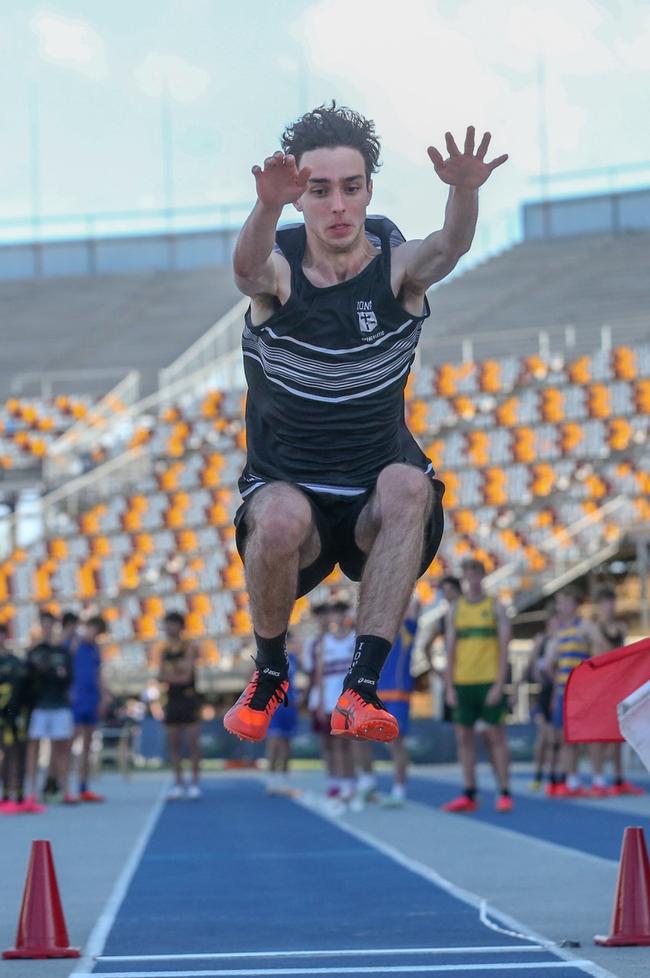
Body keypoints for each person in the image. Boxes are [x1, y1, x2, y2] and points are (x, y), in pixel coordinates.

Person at [223, 103, 507, 744]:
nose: (338, 206)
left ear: (370, 190)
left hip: (371, 492)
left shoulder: (396, 270)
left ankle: (363, 687)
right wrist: (266, 205)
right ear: (300, 198)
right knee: (277, 519)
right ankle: (269, 674)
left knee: (412, 484)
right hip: (290, 485)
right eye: (318, 191)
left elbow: (450, 246)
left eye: (351, 188)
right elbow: (246, 271)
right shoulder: (281, 271)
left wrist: (462, 192)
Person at [442, 559, 513, 813]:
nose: (472, 579)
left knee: (496, 737)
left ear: (482, 576)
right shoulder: (456, 609)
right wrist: (449, 687)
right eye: (467, 574)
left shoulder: (495, 606)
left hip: (488, 680)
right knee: (464, 739)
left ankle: (504, 791)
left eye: (476, 574)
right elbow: (449, 650)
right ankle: (469, 792)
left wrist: (499, 683)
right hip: (462, 682)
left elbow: (505, 648)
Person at [543, 586, 607, 798]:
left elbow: (601, 650)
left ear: (573, 603)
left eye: (563, 601)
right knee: (566, 737)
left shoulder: (586, 627)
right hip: (564, 692)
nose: (560, 606)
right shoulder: (559, 632)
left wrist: (589, 678)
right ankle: (572, 780)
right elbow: (551, 664)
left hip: (583, 692)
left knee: (591, 736)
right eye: (559, 602)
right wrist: (556, 688)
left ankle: (598, 779)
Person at [590, 588, 642, 796]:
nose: (609, 607)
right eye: (605, 603)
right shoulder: (592, 628)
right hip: (599, 685)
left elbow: (623, 654)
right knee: (598, 734)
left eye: (611, 602)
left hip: (617, 685)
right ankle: (598, 778)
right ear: (598, 605)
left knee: (619, 733)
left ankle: (618, 779)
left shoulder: (621, 627)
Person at [25, 610, 75, 806]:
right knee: (34, 747)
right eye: (43, 625)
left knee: (61, 749)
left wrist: (52, 672)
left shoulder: (63, 652)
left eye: (50, 625)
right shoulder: (33, 652)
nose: (47, 629)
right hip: (39, 706)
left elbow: (68, 678)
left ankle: (65, 790)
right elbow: (31, 679)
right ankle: (31, 792)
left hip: (60, 705)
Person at [377, 596, 421, 807]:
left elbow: (414, 604)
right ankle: (393, 785)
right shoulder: (381, 630)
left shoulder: (407, 628)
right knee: (388, 745)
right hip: (380, 694)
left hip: (398, 694)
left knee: (396, 743)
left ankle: (400, 788)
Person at [313, 600, 357, 804]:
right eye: (334, 613)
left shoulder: (354, 640)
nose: (337, 618)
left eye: (341, 613)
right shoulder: (325, 642)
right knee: (333, 744)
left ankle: (349, 782)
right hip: (330, 701)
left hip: (349, 702)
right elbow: (320, 676)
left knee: (346, 744)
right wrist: (320, 703)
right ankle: (338, 782)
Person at [158, 611, 203, 800]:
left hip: (189, 699)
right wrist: (176, 674)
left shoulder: (189, 647)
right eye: (167, 624)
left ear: (180, 626)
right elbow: (159, 676)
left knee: (193, 744)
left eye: (173, 624)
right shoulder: (163, 650)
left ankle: (194, 784)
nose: (169, 628)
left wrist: (171, 676)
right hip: (172, 700)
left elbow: (186, 676)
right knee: (174, 745)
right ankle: (178, 783)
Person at [72, 615, 108, 802]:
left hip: (91, 700)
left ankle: (83, 787)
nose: (94, 634)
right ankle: (60, 786)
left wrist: (104, 697)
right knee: (68, 743)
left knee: (87, 746)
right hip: (75, 701)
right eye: (93, 629)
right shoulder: (73, 645)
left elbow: (98, 675)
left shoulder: (95, 649)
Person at [0, 622, 33, 813]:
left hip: (11, 717)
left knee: (15, 753)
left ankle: (17, 794)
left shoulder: (15, 662)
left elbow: (22, 690)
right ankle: (5, 794)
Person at [265, 631, 300, 796]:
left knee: (286, 745)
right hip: (274, 705)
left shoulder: (293, 659)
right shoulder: (269, 657)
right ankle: (272, 782)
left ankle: (284, 781)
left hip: (290, 704)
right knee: (273, 744)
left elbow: (304, 676)